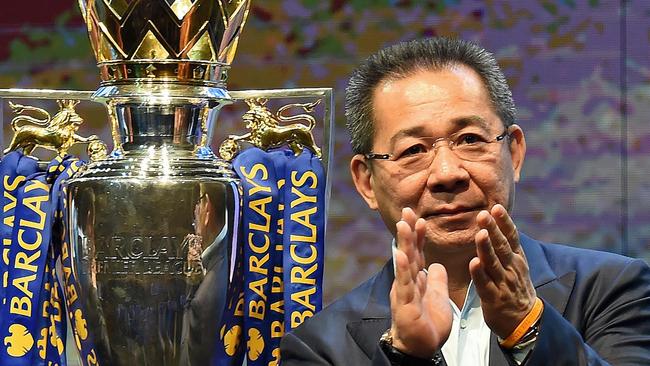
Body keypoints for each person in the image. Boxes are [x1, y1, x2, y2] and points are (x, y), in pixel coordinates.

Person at [279, 37, 650, 365]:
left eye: (470, 139)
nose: (447, 173)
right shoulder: (320, 347)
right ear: (367, 182)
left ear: (514, 153)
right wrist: (406, 357)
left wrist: (526, 325)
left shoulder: (612, 289)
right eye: (413, 149)